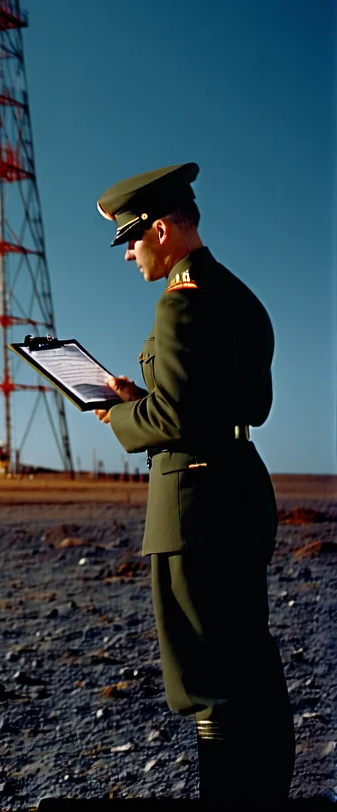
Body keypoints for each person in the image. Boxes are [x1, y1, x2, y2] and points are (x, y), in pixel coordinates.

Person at [91, 162, 293, 802]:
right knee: (249, 655)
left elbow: (177, 418)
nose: (128, 254)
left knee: (207, 677)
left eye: (131, 239)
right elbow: (237, 404)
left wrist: (121, 415)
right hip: (240, 487)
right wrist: (144, 399)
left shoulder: (178, 303)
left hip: (194, 505)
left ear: (159, 230)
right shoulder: (238, 295)